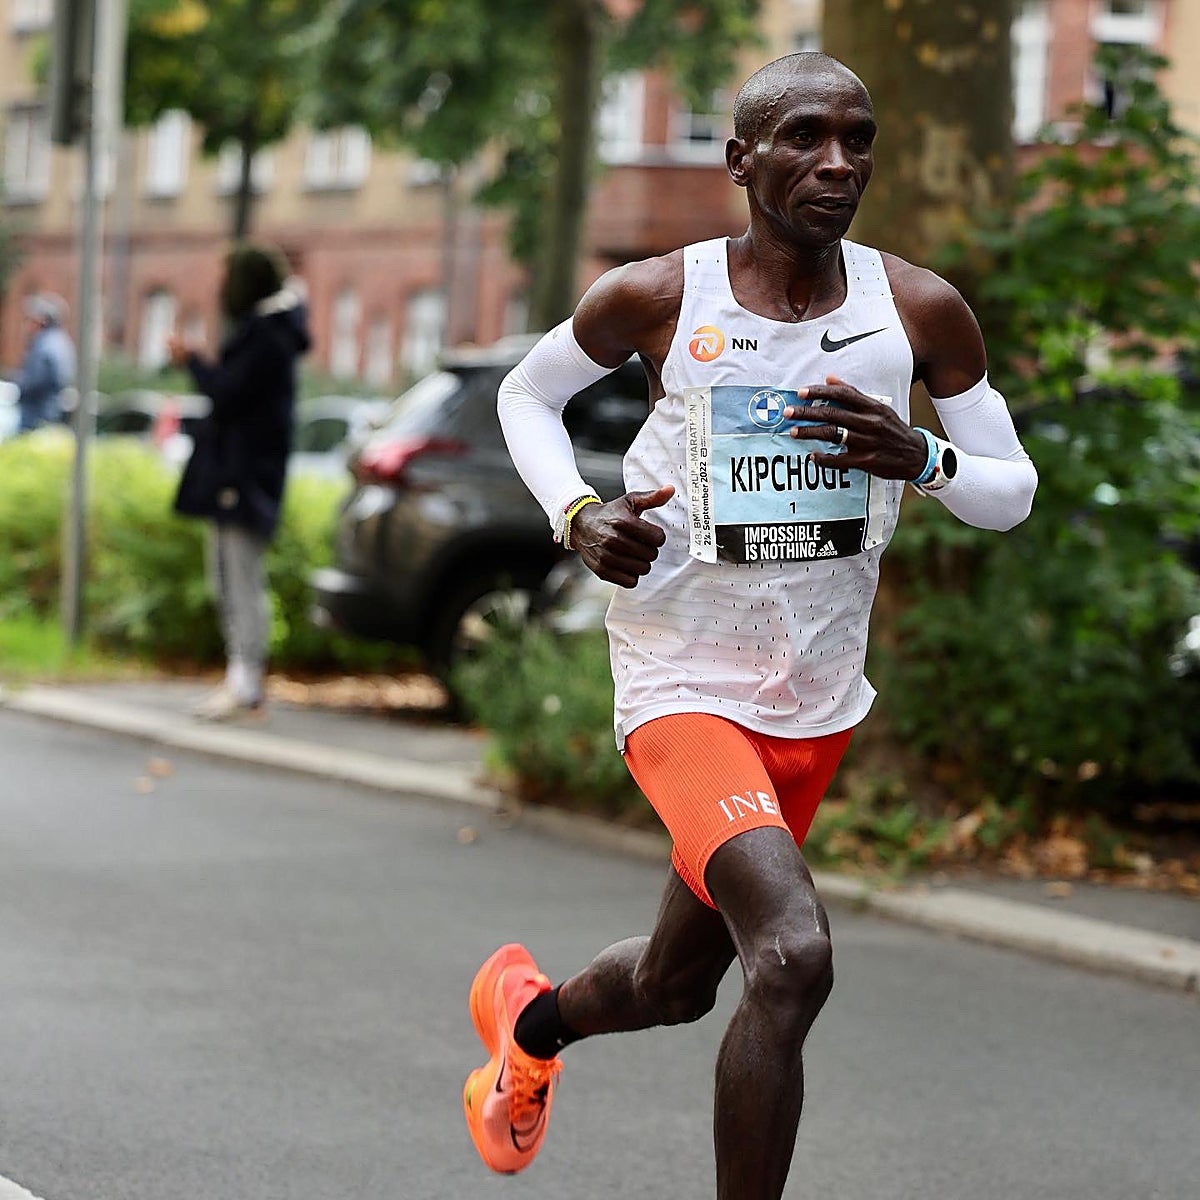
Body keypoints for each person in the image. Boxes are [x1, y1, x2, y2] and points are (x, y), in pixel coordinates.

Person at [462, 52, 1039, 1197]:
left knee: (681, 987)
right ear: (740, 159)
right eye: (805, 137)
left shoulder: (916, 308)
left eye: (858, 139)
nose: (838, 162)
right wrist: (577, 514)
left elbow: (1009, 491)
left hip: (816, 697)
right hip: (681, 680)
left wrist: (916, 453)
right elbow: (526, 396)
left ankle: (531, 1029)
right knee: (793, 955)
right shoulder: (660, 296)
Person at [167, 244, 310, 722]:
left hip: (245, 476)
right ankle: (240, 676)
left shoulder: (268, 336)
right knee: (225, 576)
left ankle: (246, 680)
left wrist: (194, 362)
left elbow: (230, 394)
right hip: (239, 472)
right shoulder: (268, 332)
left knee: (239, 578)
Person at [16, 293, 75, 433]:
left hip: (36, 415)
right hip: (53, 413)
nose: (26, 326)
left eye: (30, 320)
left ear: (41, 321)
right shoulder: (62, 340)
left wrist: (19, 385)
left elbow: (33, 381)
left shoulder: (43, 345)